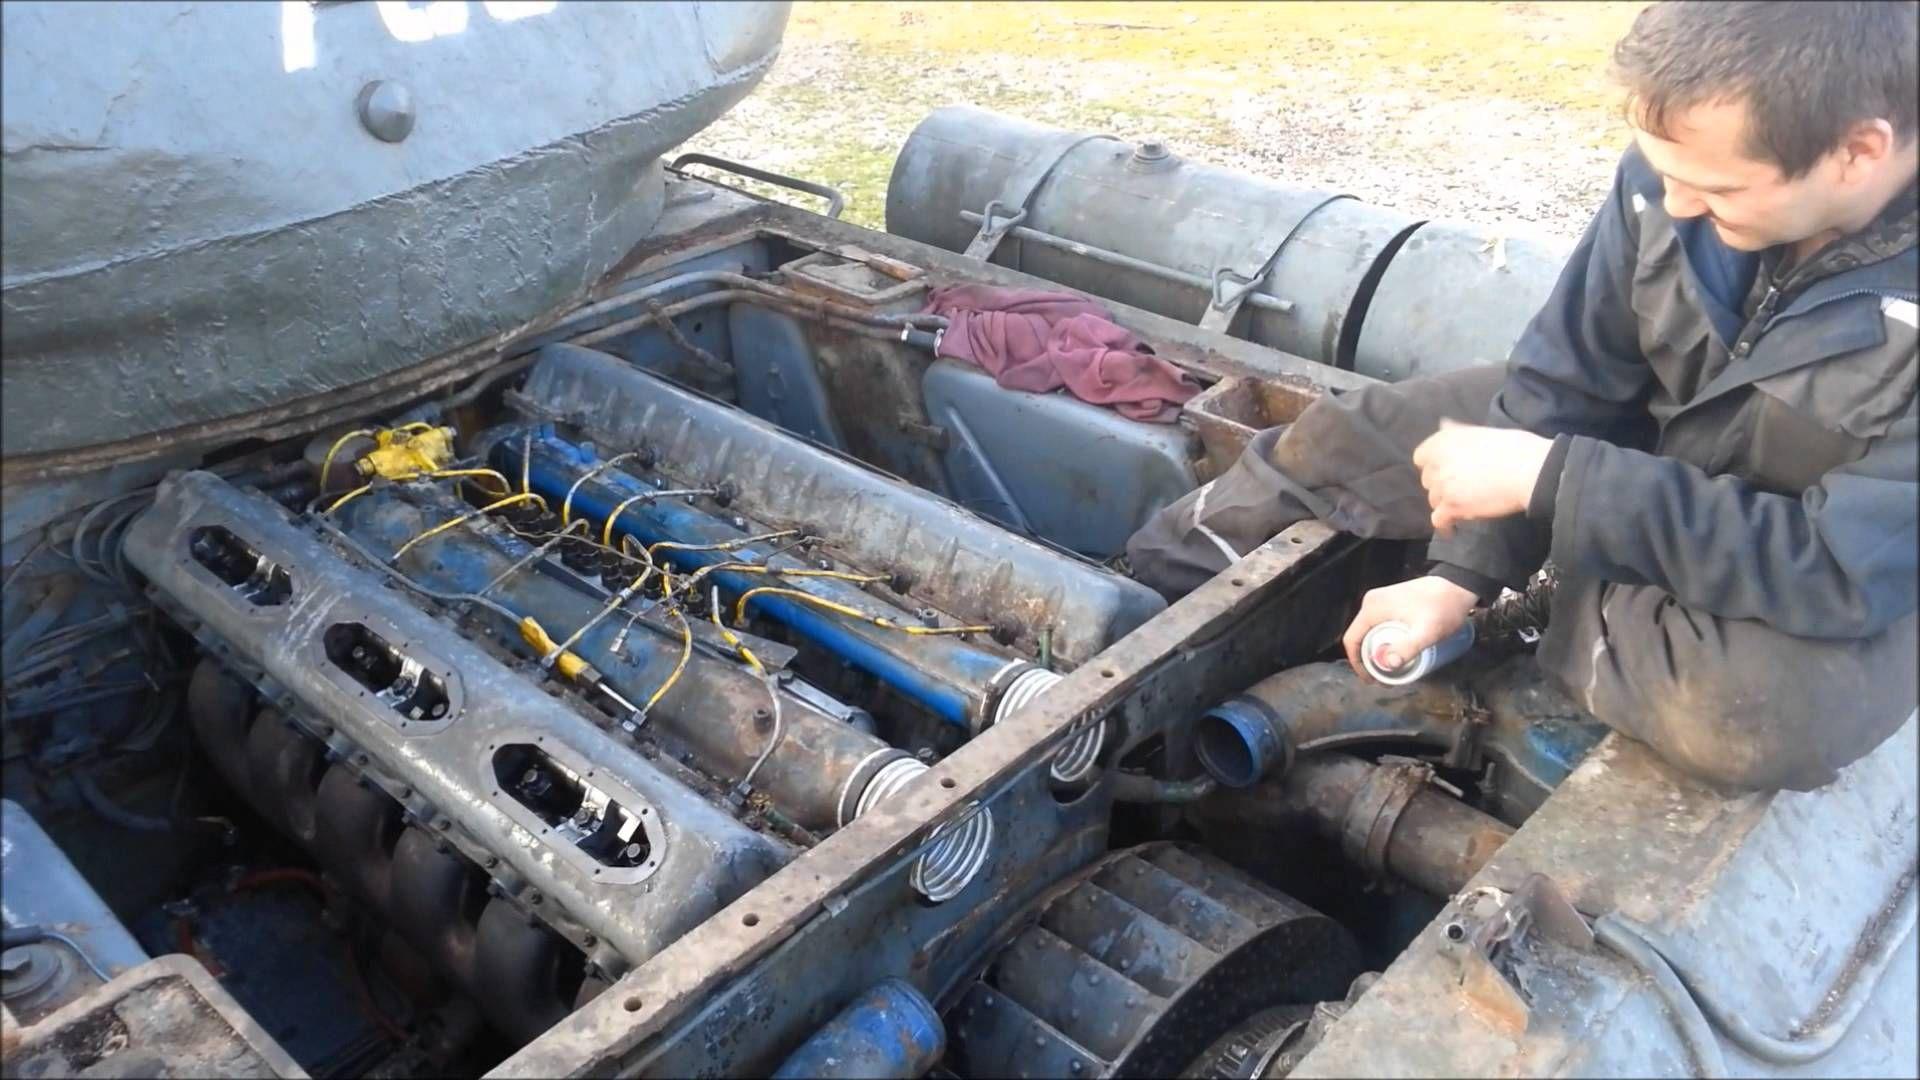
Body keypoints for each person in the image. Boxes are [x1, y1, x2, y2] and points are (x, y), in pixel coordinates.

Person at [1126, 0, 1918, 792]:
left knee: (1753, 715)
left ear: (1858, 153)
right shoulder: (1675, 174)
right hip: (1637, 452)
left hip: (1816, 551)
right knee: (1340, 441)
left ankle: (1540, 611)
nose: (1676, 204)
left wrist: (1555, 486)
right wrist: (1458, 573)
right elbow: (1570, 374)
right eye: (1665, 173)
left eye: (1715, 190)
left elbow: (1839, 567)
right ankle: (1135, 601)